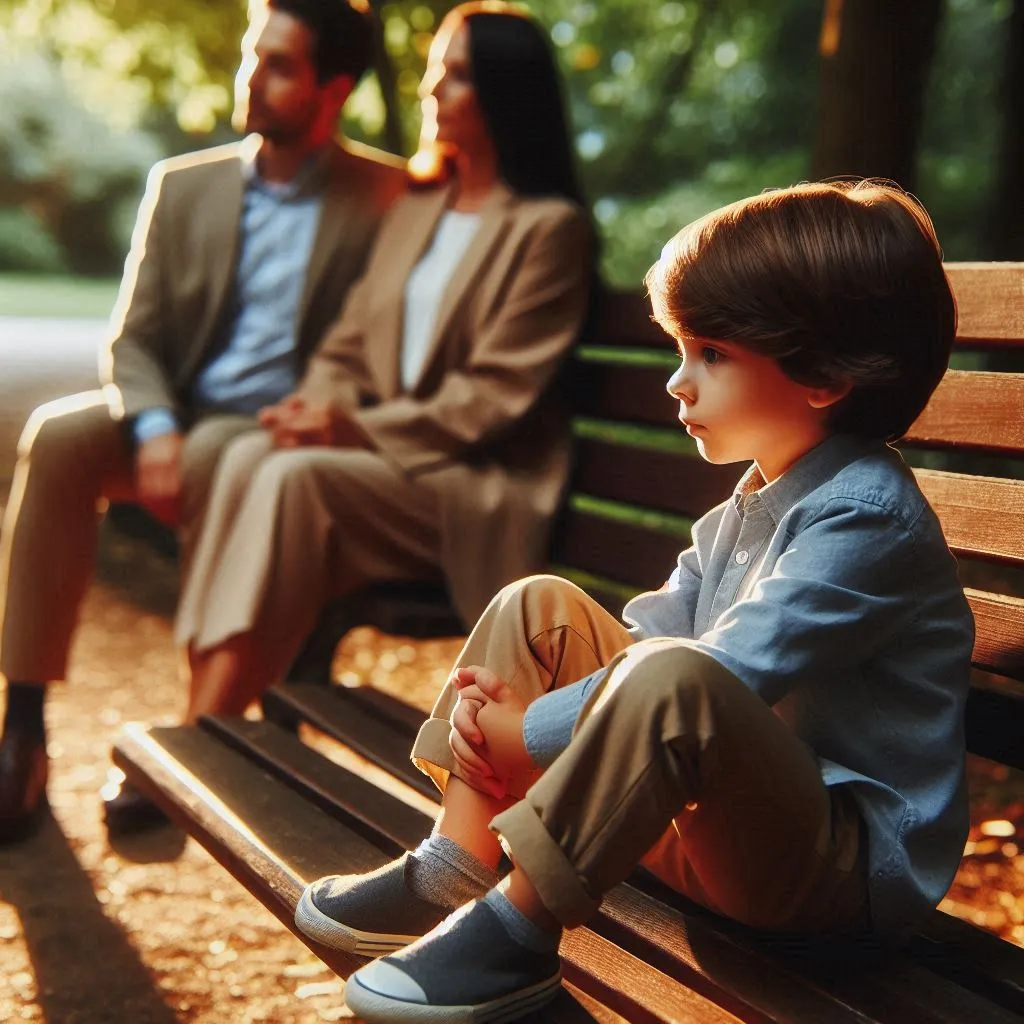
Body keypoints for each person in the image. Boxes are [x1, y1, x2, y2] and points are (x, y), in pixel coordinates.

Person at [290, 180, 976, 1023]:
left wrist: (526, 730)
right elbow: (643, 642)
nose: (677, 384)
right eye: (681, 351)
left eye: (711, 354)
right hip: (706, 837)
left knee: (677, 676)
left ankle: (515, 941)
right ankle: (454, 868)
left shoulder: (869, 517)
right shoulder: (749, 506)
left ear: (824, 374)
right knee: (538, 607)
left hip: (830, 885)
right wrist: (531, 708)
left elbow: (719, 672)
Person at [0, 0, 407, 842]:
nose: (250, 76)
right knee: (60, 434)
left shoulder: (389, 195)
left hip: (282, 437)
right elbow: (134, 338)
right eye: (253, 55)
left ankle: (193, 738)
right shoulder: (182, 186)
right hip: (179, 419)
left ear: (333, 89)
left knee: (232, 450)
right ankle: (23, 727)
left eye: (278, 64)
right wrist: (151, 430)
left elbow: (387, 344)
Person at [169, 3, 593, 732]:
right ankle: (203, 723)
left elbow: (492, 400)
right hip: (388, 471)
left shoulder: (548, 231)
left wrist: (353, 428)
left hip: (472, 484)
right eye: (435, 71)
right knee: (249, 452)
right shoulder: (420, 208)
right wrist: (317, 407)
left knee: (294, 477)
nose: (433, 89)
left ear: (503, 94)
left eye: (457, 77)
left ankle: (195, 736)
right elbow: (348, 344)